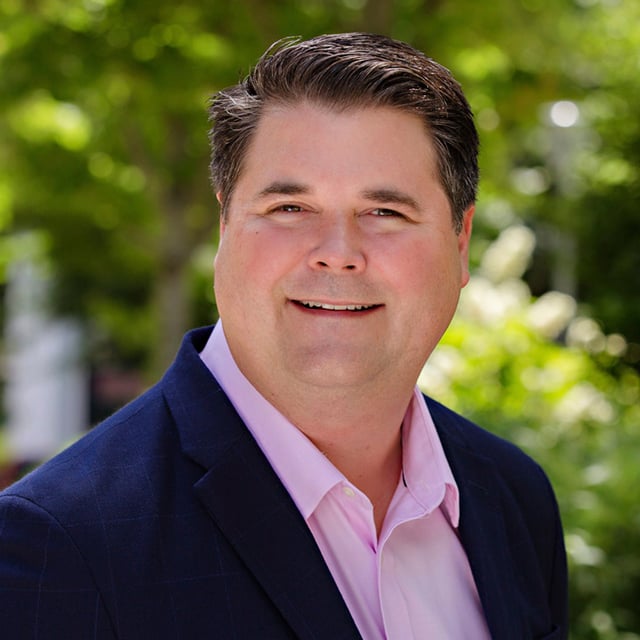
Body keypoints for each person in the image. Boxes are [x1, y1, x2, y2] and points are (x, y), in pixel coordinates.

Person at [0, 33, 568, 639]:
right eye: (290, 208)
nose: (337, 254)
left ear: (460, 243)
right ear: (225, 225)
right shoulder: (58, 544)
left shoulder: (515, 498)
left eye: (385, 213)